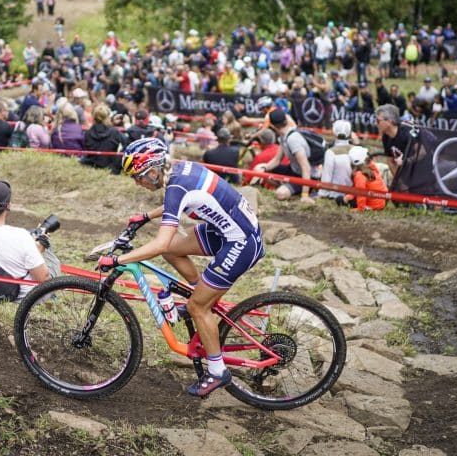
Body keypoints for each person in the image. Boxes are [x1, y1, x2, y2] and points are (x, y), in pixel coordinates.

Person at [102, 137, 264, 398]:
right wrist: (145, 217)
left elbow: (159, 242)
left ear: (153, 170)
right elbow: (175, 203)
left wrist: (120, 260)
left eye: (138, 176)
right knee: (173, 250)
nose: (137, 183)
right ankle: (201, 294)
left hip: (240, 242)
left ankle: (216, 370)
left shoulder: (176, 185)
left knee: (196, 306)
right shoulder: (177, 170)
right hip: (230, 230)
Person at [255, 109, 316, 204]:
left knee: (280, 194)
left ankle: (302, 191)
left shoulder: (293, 139)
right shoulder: (284, 136)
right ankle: (286, 185)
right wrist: (264, 168)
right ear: (286, 120)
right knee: (258, 168)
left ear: (272, 126)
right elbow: (276, 160)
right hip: (294, 170)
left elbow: (306, 168)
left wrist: (305, 195)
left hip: (306, 176)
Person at [81, 103, 126, 173]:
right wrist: (118, 160)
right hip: (111, 168)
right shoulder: (114, 132)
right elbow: (128, 144)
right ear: (107, 117)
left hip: (92, 166)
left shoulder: (88, 133)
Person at [318, 120, 354, 201]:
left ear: (334, 132)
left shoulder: (330, 152)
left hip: (335, 194)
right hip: (353, 194)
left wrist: (322, 194)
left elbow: (326, 178)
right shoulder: (356, 149)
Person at [344, 146, 388, 212]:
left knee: (340, 199)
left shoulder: (359, 175)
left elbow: (361, 193)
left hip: (373, 206)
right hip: (382, 203)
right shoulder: (371, 166)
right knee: (349, 195)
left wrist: (360, 208)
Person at [375, 103, 412, 179]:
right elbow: (390, 161)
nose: (376, 123)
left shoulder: (407, 133)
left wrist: (406, 159)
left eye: (378, 121)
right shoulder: (386, 136)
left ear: (389, 122)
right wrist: (399, 182)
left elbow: (423, 153)